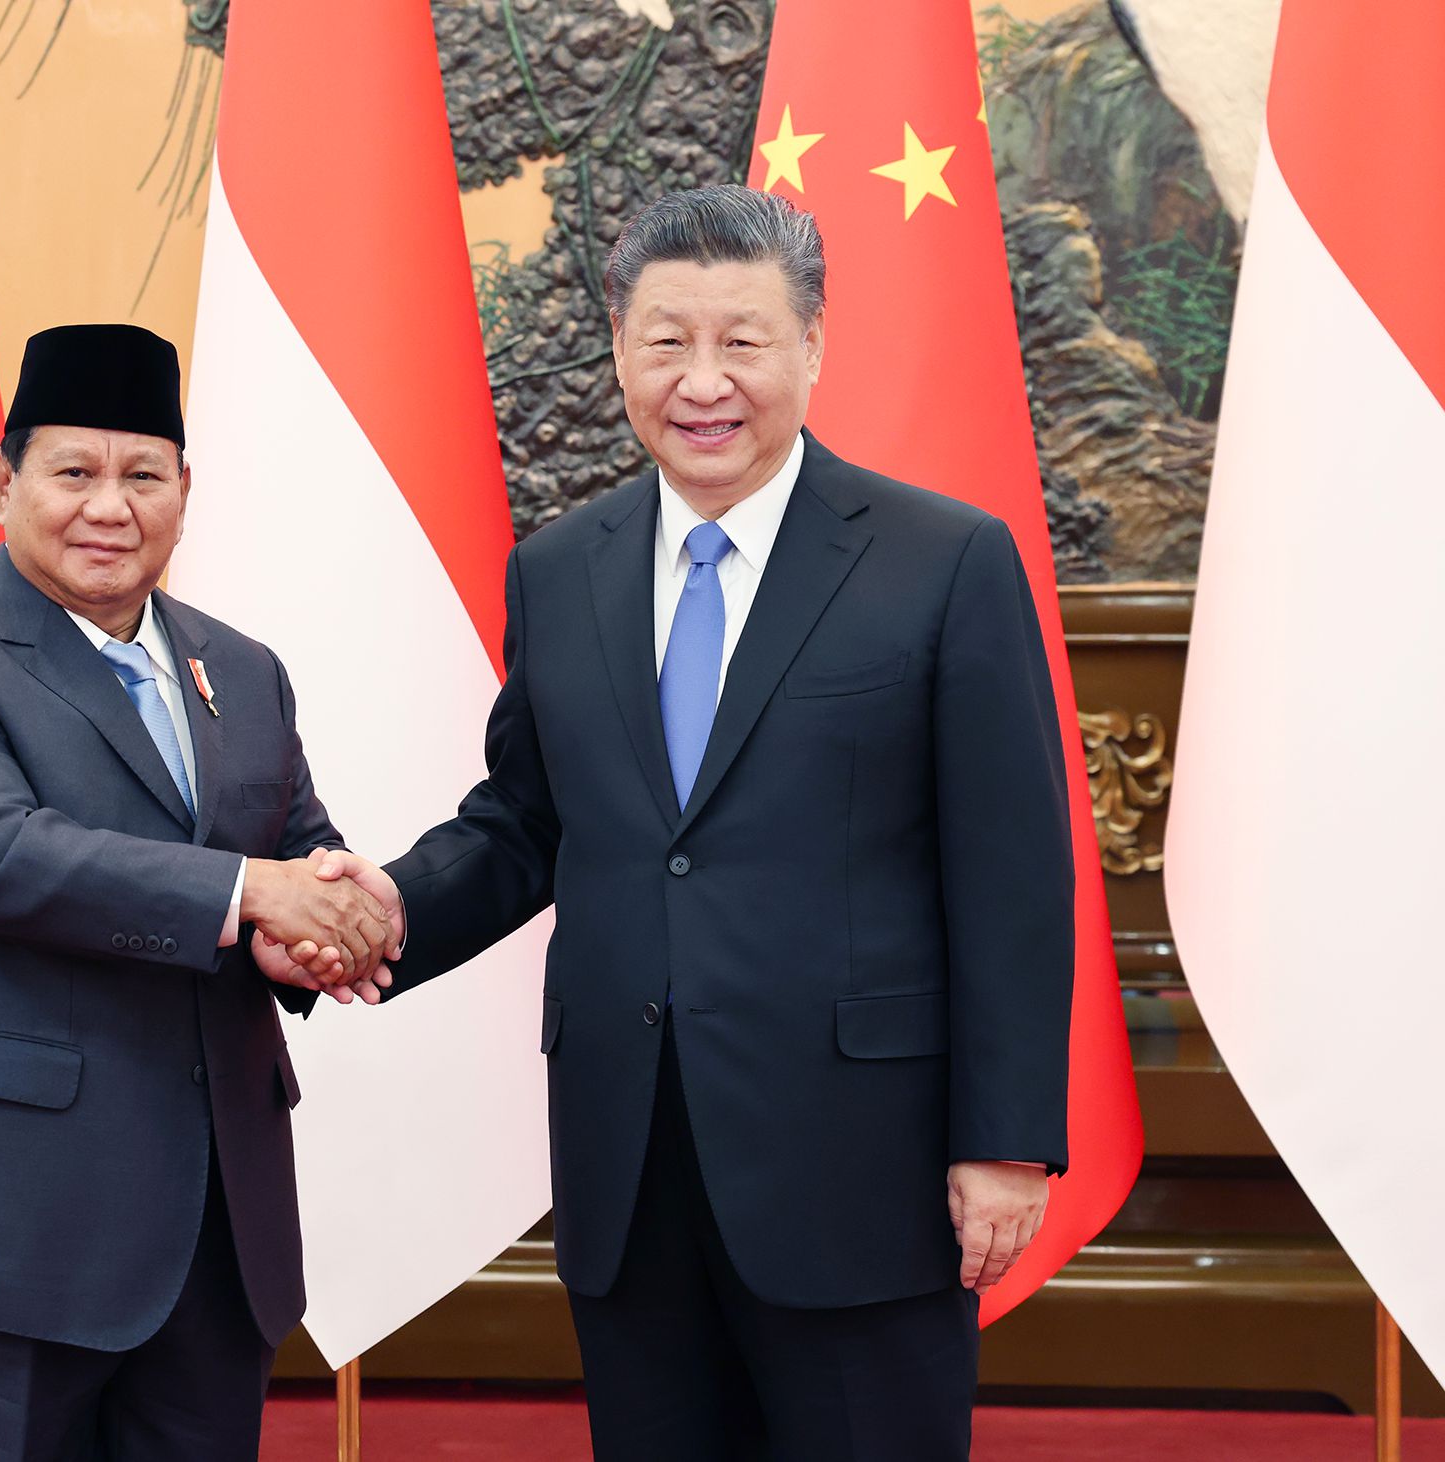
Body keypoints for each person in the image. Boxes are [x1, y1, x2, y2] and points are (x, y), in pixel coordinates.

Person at [295, 186, 1074, 1460]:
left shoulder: (941, 561)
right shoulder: (561, 567)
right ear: (618, 350)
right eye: (665, 342)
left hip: (859, 1168)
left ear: (810, 345)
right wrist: (383, 909)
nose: (701, 382)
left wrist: (1006, 1142)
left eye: (741, 341)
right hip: (631, 1162)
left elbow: (1012, 877)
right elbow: (527, 819)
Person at [0, 323, 388, 1462]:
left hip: (215, 1235)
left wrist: (331, 924)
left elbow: (298, 850)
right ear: (4, 482)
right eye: (73, 471)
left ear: (185, 490)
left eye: (143, 475)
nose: (110, 507)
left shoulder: (244, 670)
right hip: (3, 1230)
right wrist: (252, 895)